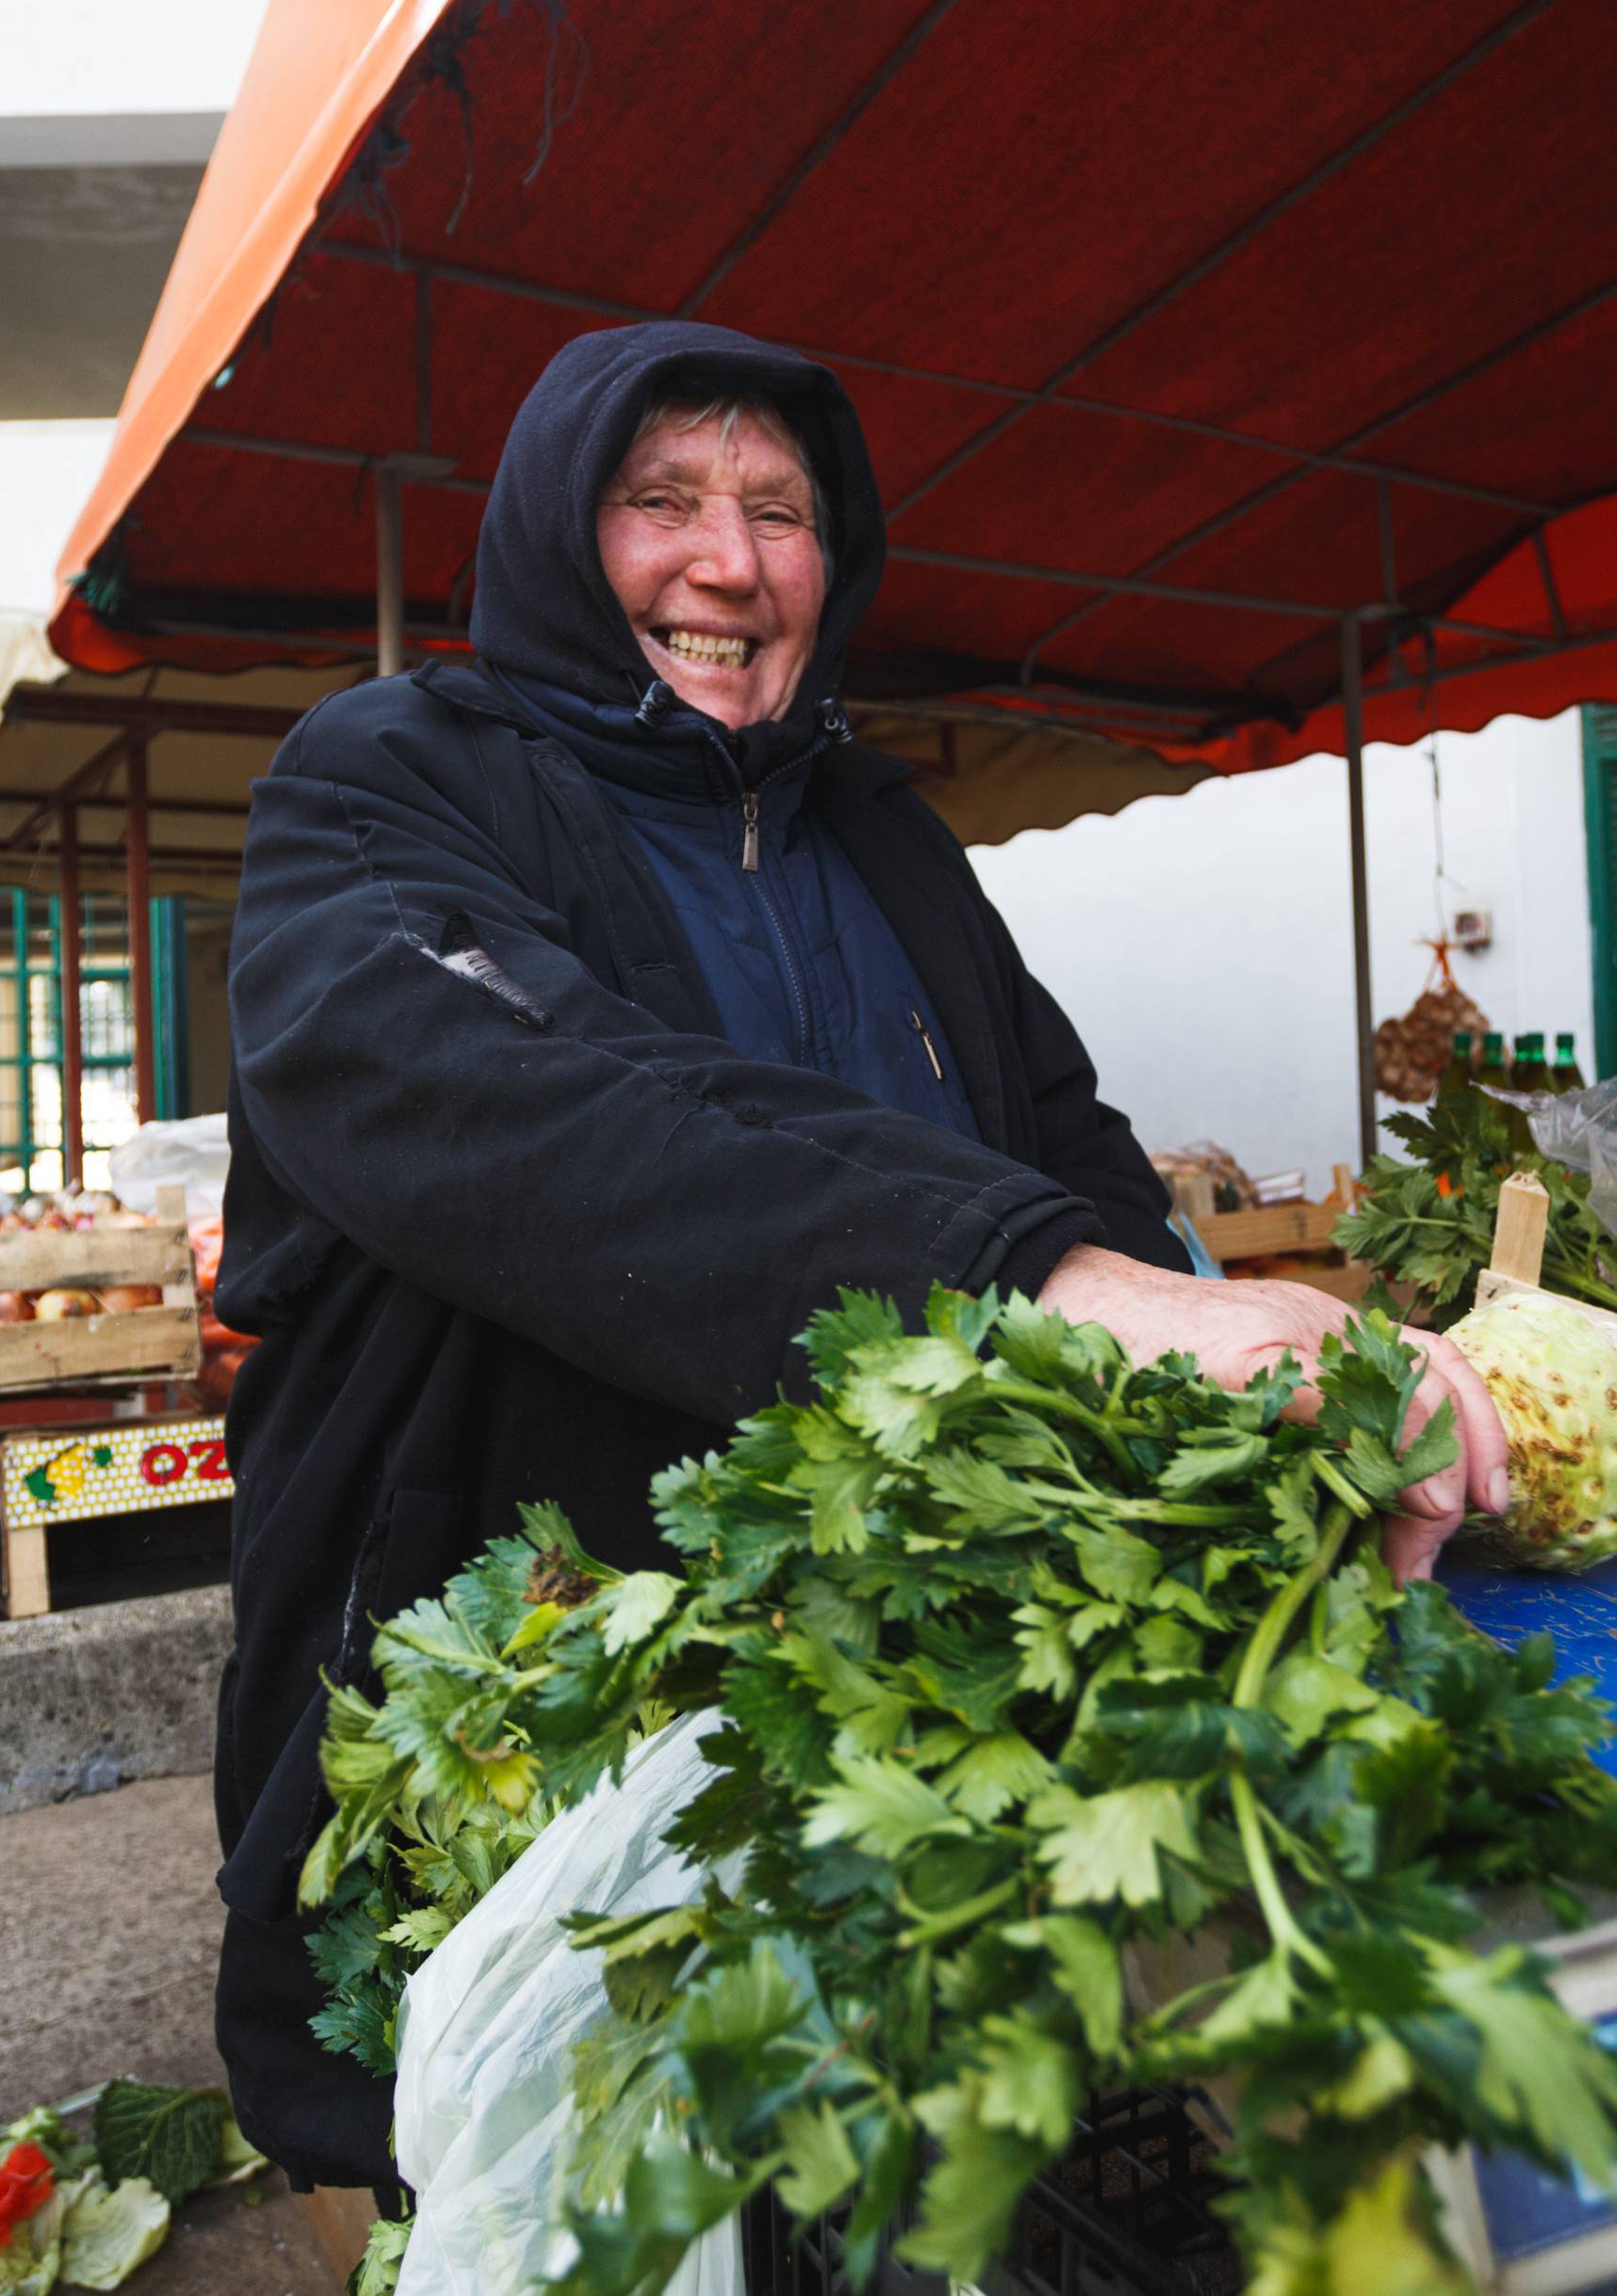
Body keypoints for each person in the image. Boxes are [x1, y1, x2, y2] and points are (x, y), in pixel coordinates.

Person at [211, 319, 1507, 2192]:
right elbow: (549, 1111)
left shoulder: (885, 838)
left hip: (890, 1723)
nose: (728, 560)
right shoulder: (381, 786)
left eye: (780, 509)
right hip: (525, 1720)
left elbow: (1066, 1142)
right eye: (660, 499)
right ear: (555, 535)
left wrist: (1217, 1382)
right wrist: (1062, 1284)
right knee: (541, 2178)